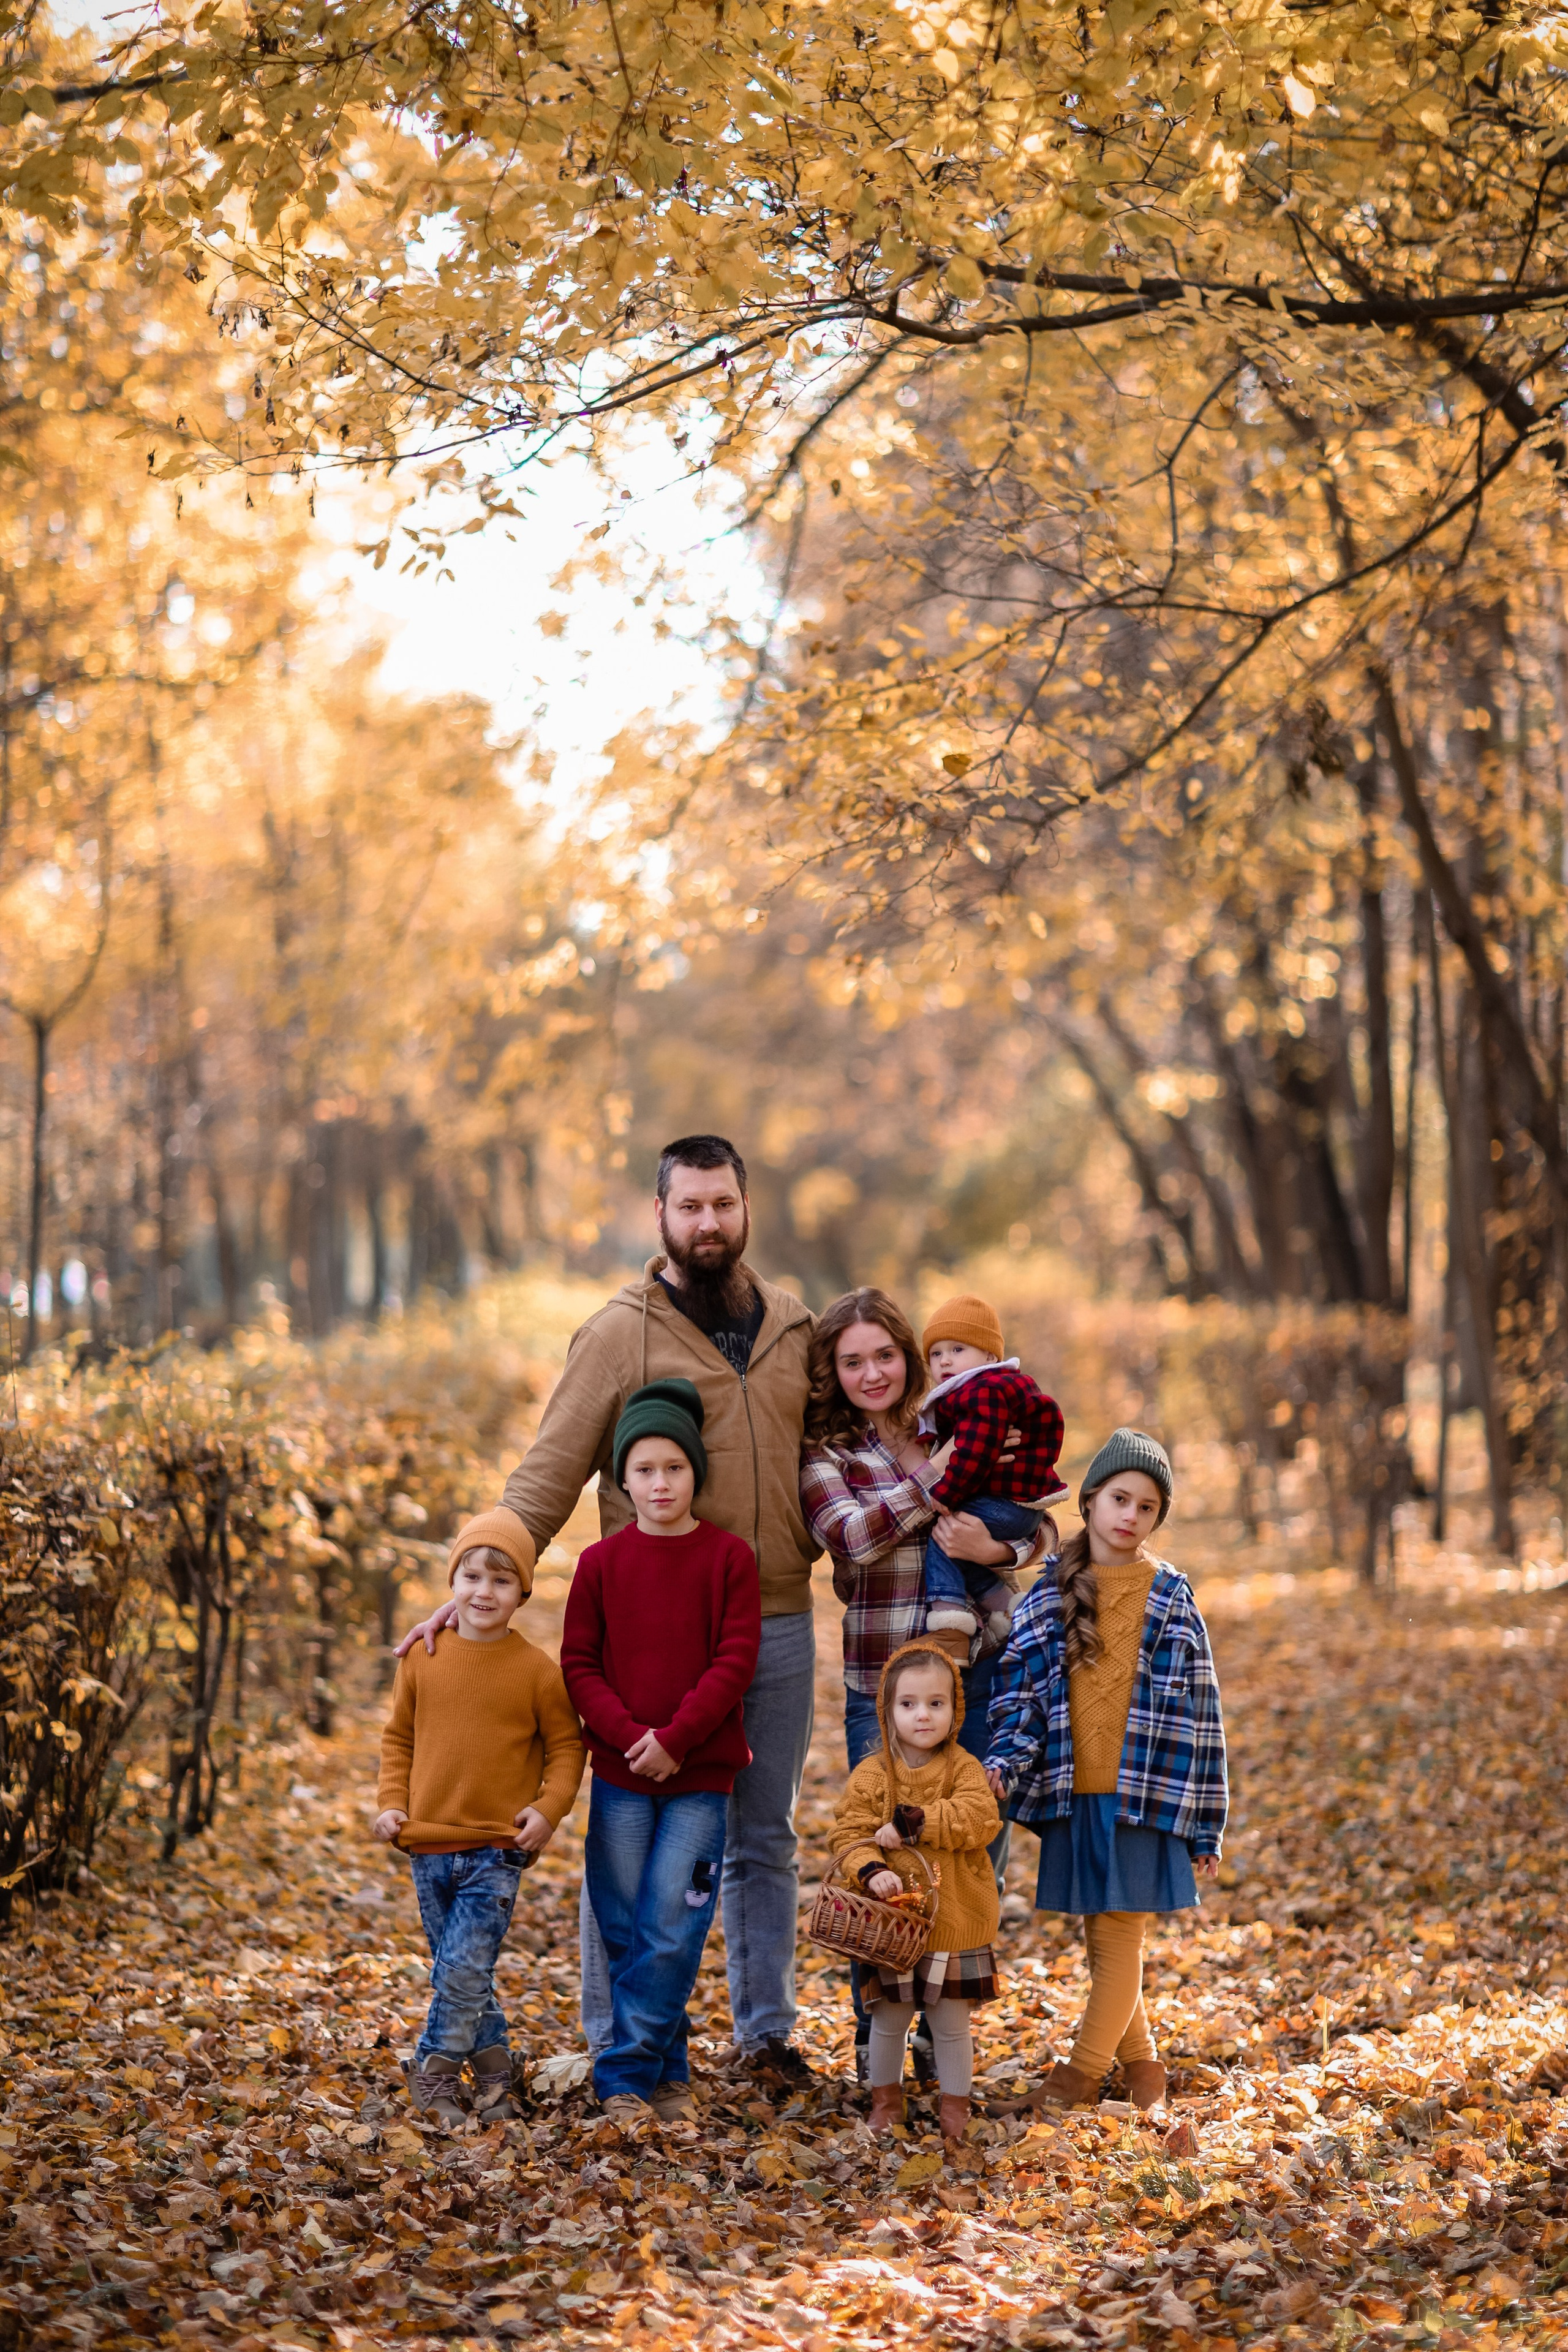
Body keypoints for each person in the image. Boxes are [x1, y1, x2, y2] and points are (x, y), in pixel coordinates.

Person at [401, 1136, 818, 2089]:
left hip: (779, 1617)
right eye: (689, 1207)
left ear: (746, 1206)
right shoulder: (616, 1333)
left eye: (722, 1204)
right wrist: (476, 1573)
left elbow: (849, 1451)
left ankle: (764, 2035)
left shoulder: (794, 1328)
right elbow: (544, 1477)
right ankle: (613, 2036)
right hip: (652, 1636)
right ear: (660, 1215)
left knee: (763, 1838)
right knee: (630, 1841)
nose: (707, 1223)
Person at [799, 1286, 1040, 2079]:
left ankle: (947, 2025)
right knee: (885, 1854)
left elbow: (1035, 1519)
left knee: (977, 1852)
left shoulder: (956, 1422)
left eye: (886, 1355)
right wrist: (939, 1481)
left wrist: (995, 1551)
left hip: (976, 1680)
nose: (873, 1372)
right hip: (885, 1686)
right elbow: (853, 1536)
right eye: (853, 1361)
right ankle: (880, 2034)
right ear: (834, 1372)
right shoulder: (830, 1453)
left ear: (909, 1355)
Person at [984, 1429, 1228, 2114]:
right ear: (1089, 1501)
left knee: (1119, 1936)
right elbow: (1019, 1694)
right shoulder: (1046, 1594)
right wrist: (1005, 1762)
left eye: (1147, 1507)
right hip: (1075, 1791)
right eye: (1119, 1498)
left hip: (1143, 1794)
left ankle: (1076, 2080)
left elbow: (1201, 1713)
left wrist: (1205, 1824)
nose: (1130, 1516)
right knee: (1105, 1939)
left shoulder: (1171, 1596)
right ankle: (1144, 2071)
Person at [560, 1379, 760, 2122]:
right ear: (623, 1479)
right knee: (623, 1926)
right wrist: (629, 1739)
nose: (660, 1483)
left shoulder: (727, 1559)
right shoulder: (600, 1565)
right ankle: (667, 2070)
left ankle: (622, 2079)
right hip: (619, 1776)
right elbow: (578, 1665)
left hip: (699, 1775)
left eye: (674, 1468)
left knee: (673, 1922)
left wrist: (674, 1741)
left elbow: (734, 1660)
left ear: (694, 1475)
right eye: (644, 1469)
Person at [375, 1521, 586, 2125]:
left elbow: (568, 1748)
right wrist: (392, 1802)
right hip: (426, 1845)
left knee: (463, 1970)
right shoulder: (424, 1657)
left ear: (521, 1592)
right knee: (460, 1974)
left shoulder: (537, 1671)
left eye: (501, 1580)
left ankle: (435, 2071)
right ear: (453, 1583)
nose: (483, 1592)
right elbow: (398, 1740)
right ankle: (495, 2068)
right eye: (471, 1577)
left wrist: (548, 1810)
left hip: (497, 1848)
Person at [829, 1641, 1001, 2143]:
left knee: (950, 2022)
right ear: (888, 1711)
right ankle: (886, 2103)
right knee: (889, 2019)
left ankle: (955, 2111)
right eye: (908, 1704)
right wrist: (869, 1869)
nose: (922, 1715)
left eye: (936, 1703)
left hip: (953, 1920)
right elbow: (848, 1833)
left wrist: (915, 1823)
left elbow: (979, 1819)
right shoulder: (874, 1775)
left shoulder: (963, 1768)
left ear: (955, 1710)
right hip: (893, 1925)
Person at [916, 1294, 1068, 1656]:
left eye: (957, 1349)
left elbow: (976, 1450)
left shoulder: (982, 1391)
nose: (945, 1361)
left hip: (1005, 1507)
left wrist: (946, 1492)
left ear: (989, 1356)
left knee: (943, 1539)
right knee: (961, 1552)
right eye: (936, 1354)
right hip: (1016, 1506)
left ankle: (949, 1629)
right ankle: (1006, 1608)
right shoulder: (990, 1388)